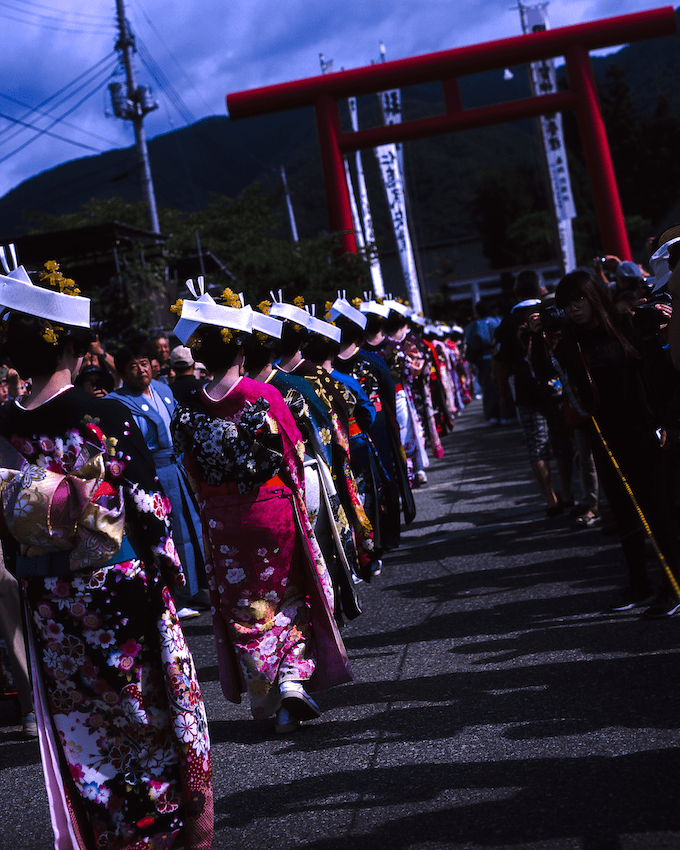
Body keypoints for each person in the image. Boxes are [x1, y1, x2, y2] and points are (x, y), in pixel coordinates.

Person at [0, 258, 213, 849]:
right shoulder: (105, 416)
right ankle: (164, 826)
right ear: (73, 351)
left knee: (81, 720)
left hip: (45, 594)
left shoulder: (2, 427)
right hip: (115, 582)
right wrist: (167, 574)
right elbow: (148, 510)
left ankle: (115, 831)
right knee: (141, 710)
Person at [170, 287, 353, 734]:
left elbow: (191, 474)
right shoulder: (262, 396)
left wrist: (213, 510)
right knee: (291, 590)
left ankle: (267, 694)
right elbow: (291, 456)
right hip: (271, 507)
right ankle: (292, 677)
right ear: (239, 349)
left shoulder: (187, 410)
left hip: (222, 516)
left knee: (245, 605)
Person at [530, 270, 680, 618]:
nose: (574, 309)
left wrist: (668, 425)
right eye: (567, 304)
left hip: (645, 430)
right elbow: (543, 374)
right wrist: (538, 338)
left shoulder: (624, 324)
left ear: (593, 295)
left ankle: (671, 587)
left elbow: (661, 371)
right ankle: (639, 584)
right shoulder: (570, 342)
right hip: (604, 436)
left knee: (657, 511)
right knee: (623, 514)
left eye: (579, 299)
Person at [106, 346, 208, 619]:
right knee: (170, 530)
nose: (141, 370)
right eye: (133, 367)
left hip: (178, 464)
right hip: (153, 468)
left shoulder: (164, 389)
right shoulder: (118, 401)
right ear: (122, 373)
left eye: (144, 363)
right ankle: (179, 592)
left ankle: (199, 586)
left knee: (194, 523)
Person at [494, 269, 573, 516]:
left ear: (516, 292)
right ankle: (568, 494)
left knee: (536, 444)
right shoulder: (550, 311)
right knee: (562, 440)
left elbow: (501, 364)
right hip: (556, 383)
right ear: (540, 289)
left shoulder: (507, 322)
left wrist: (502, 395)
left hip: (526, 389)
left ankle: (550, 500)